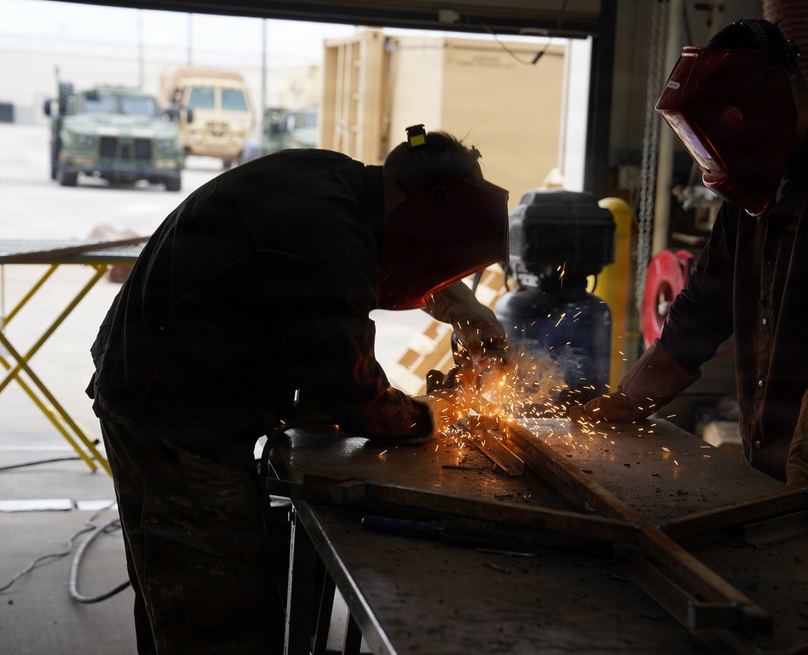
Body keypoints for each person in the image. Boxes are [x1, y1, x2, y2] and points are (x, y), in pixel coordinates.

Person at [87, 125, 509, 654]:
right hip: (177, 419)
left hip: (154, 386)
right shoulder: (331, 235)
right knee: (220, 617)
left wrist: (459, 302)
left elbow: (379, 257)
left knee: (176, 596)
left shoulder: (337, 182)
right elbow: (358, 401)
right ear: (421, 201)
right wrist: (436, 414)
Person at [572, 19, 808, 540]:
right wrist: (630, 400)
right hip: (773, 459)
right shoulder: (757, 180)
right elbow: (705, 302)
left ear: (769, 101)